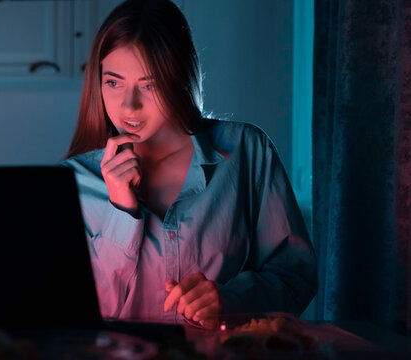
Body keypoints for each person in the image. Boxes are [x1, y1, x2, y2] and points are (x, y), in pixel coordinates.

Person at [60, 0, 317, 329]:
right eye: (113, 82)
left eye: (149, 85)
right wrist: (120, 211)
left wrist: (230, 300)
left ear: (180, 77)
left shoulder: (247, 151)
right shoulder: (73, 180)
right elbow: (73, 312)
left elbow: (295, 276)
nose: (128, 105)